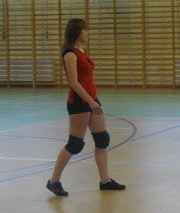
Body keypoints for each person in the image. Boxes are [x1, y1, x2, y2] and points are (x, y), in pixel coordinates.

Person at [46, 18, 125, 196]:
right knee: (75, 144)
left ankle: (105, 180)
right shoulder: (70, 54)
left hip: (92, 99)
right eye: (85, 30)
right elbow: (74, 82)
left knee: (102, 140)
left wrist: (93, 100)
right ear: (77, 32)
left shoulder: (82, 51)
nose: (88, 33)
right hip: (79, 102)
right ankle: (53, 181)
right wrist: (90, 101)